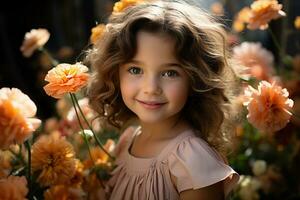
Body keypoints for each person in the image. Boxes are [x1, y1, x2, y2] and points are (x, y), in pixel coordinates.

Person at [86, 0, 240, 199]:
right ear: (116, 74)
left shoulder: (192, 160)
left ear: (195, 79)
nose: (151, 89)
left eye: (169, 73)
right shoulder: (128, 141)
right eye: (135, 70)